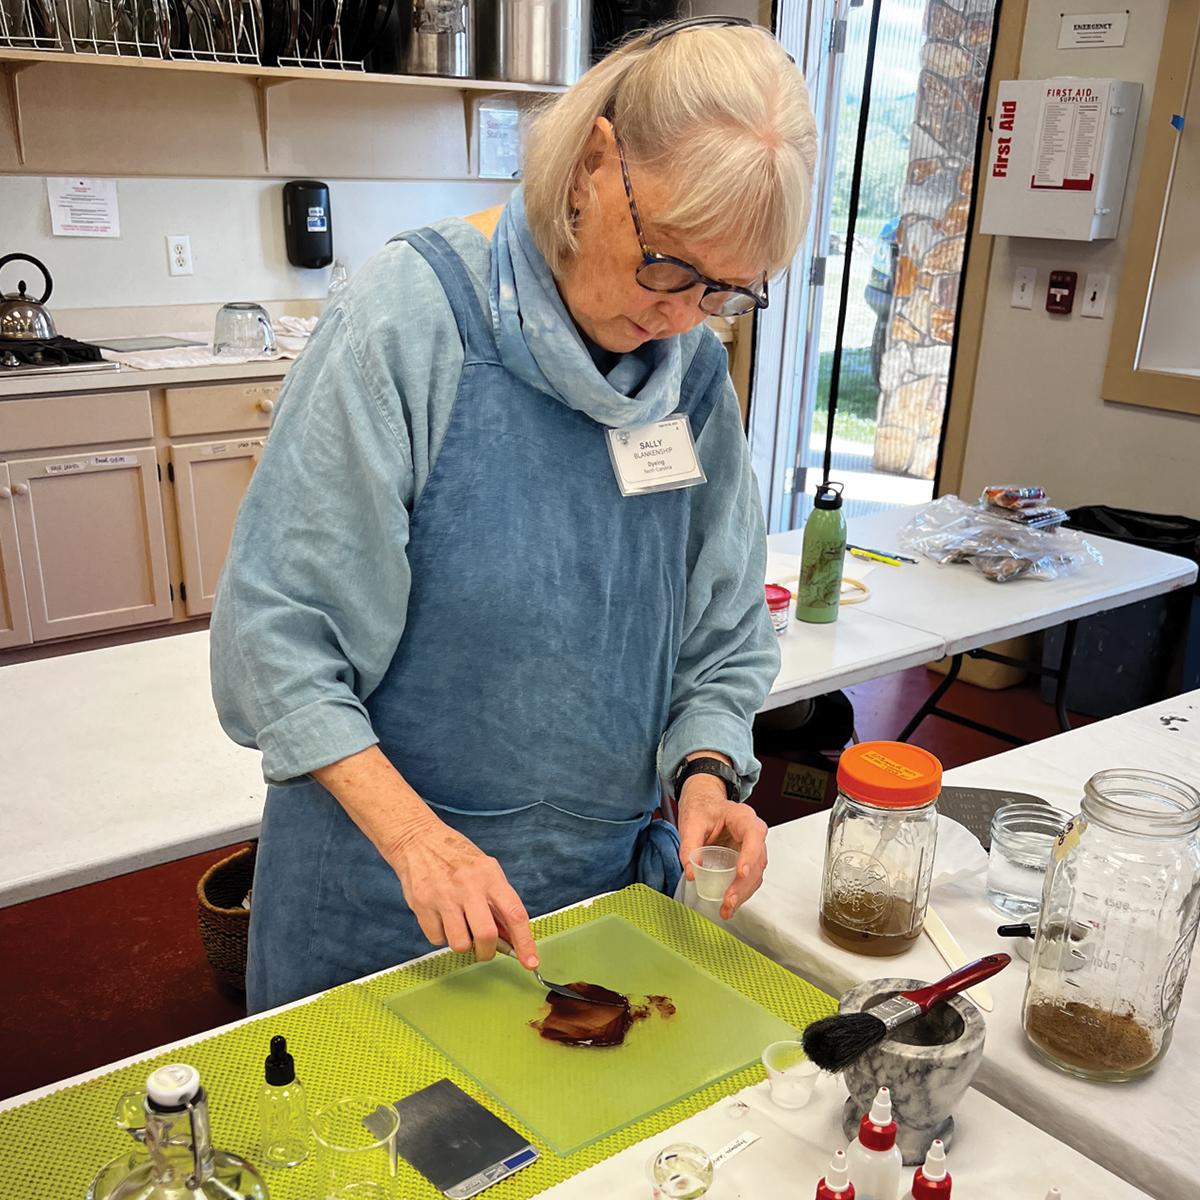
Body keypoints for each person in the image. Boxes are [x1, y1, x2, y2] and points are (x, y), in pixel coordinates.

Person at [211, 16, 817, 1014]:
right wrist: (416, 841)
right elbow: (275, 641)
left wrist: (707, 773)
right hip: (389, 900)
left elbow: (720, 634)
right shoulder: (409, 322)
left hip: (604, 903)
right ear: (591, 164)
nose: (680, 314)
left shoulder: (693, 375)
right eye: (665, 263)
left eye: (724, 290)